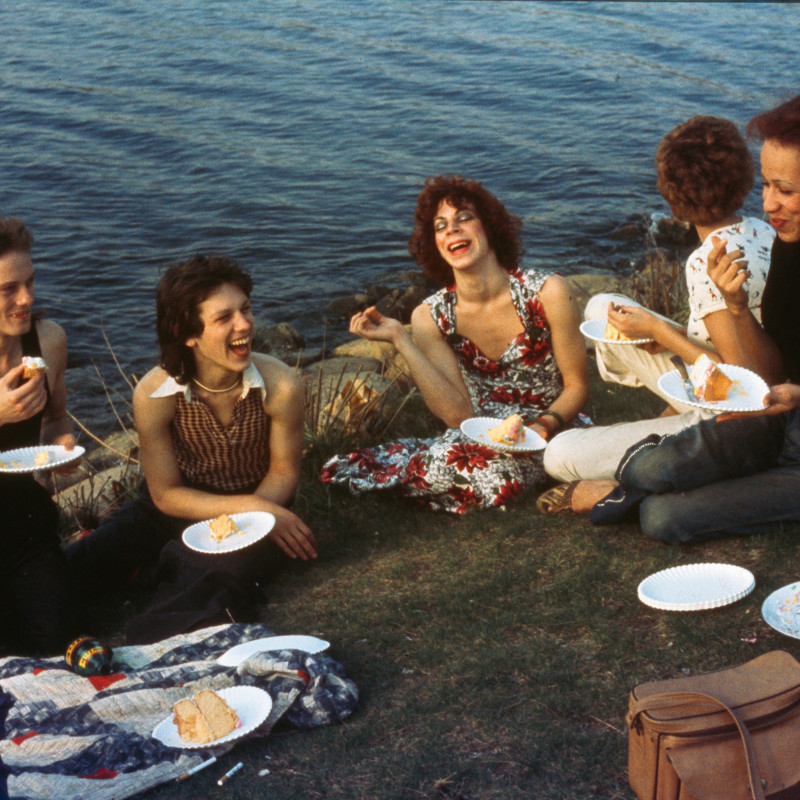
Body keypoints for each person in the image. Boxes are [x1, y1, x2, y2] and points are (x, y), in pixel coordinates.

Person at [561, 93, 800, 544]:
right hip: (773, 421)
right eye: (765, 185)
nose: (769, 204)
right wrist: (735, 307)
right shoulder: (781, 243)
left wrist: (663, 333)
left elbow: (743, 383)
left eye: (785, 190)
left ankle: (639, 488)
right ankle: (666, 473)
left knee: (659, 517)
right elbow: (766, 375)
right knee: (653, 466)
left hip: (773, 426)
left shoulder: (722, 251)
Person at [67, 255, 316, 625]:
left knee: (215, 576)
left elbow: (283, 471)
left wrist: (253, 516)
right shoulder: (156, 392)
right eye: (224, 317)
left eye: (246, 309)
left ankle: (154, 587)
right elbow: (165, 494)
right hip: (177, 506)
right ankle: (157, 566)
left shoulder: (280, 385)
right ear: (188, 334)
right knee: (75, 565)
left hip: (260, 504)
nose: (244, 323)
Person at [321, 175, 589, 513]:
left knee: (494, 480)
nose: (452, 230)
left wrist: (543, 425)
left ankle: (419, 482)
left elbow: (578, 386)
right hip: (480, 436)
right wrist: (402, 341)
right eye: (441, 226)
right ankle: (427, 474)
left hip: (554, 425)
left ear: (490, 227)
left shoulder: (548, 292)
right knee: (457, 463)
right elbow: (457, 414)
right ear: (435, 243)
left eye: (465, 218)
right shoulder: (429, 316)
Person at [0, 217, 81, 655]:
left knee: (56, 644)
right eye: (7, 290)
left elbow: (56, 420)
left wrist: (62, 448)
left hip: (20, 528)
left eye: (29, 282)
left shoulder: (47, 342)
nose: (26, 299)